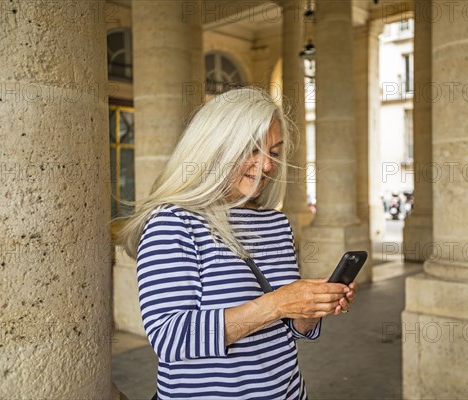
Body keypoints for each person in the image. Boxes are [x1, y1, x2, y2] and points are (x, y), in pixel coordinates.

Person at [118, 87, 357, 399]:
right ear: (215, 148)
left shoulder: (276, 223)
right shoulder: (174, 222)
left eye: (273, 152)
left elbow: (286, 330)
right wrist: (277, 303)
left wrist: (309, 306)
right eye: (252, 149)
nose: (268, 166)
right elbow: (170, 339)